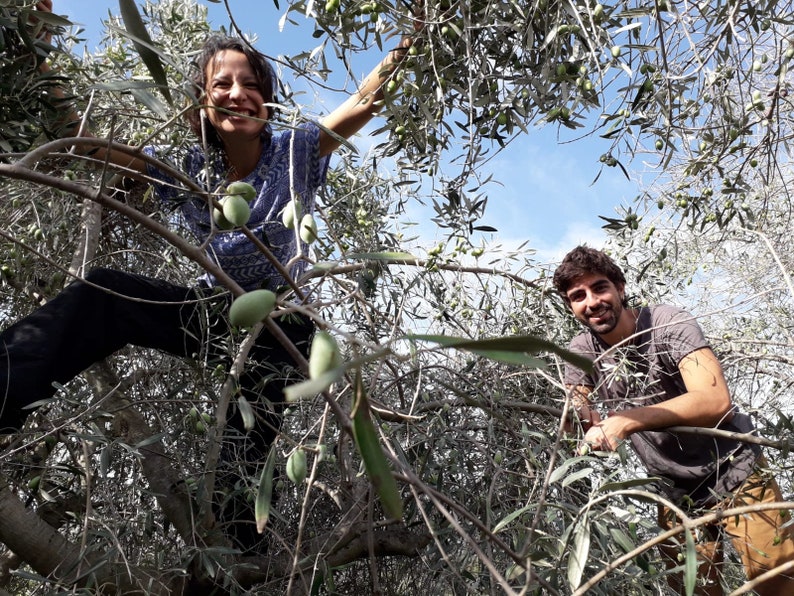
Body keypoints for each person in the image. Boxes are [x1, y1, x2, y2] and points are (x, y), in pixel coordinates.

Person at [1, 0, 415, 551]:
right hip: (211, 313)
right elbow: (93, 151)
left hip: (282, 330)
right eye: (221, 83)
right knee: (103, 293)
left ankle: (238, 559)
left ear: (266, 97)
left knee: (239, 478)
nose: (236, 93)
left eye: (249, 82)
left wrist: (416, 37)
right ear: (203, 97)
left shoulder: (295, 148)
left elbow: (365, 101)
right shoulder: (186, 164)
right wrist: (36, 47)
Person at [553, 245, 794, 595]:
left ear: (620, 288)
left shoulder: (667, 322)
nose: (592, 302)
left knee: (777, 580)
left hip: (736, 471)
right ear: (570, 306)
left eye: (600, 288)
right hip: (675, 493)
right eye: (578, 296)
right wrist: (580, 420)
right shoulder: (582, 350)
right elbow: (577, 414)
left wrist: (625, 421)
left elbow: (713, 399)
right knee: (691, 589)